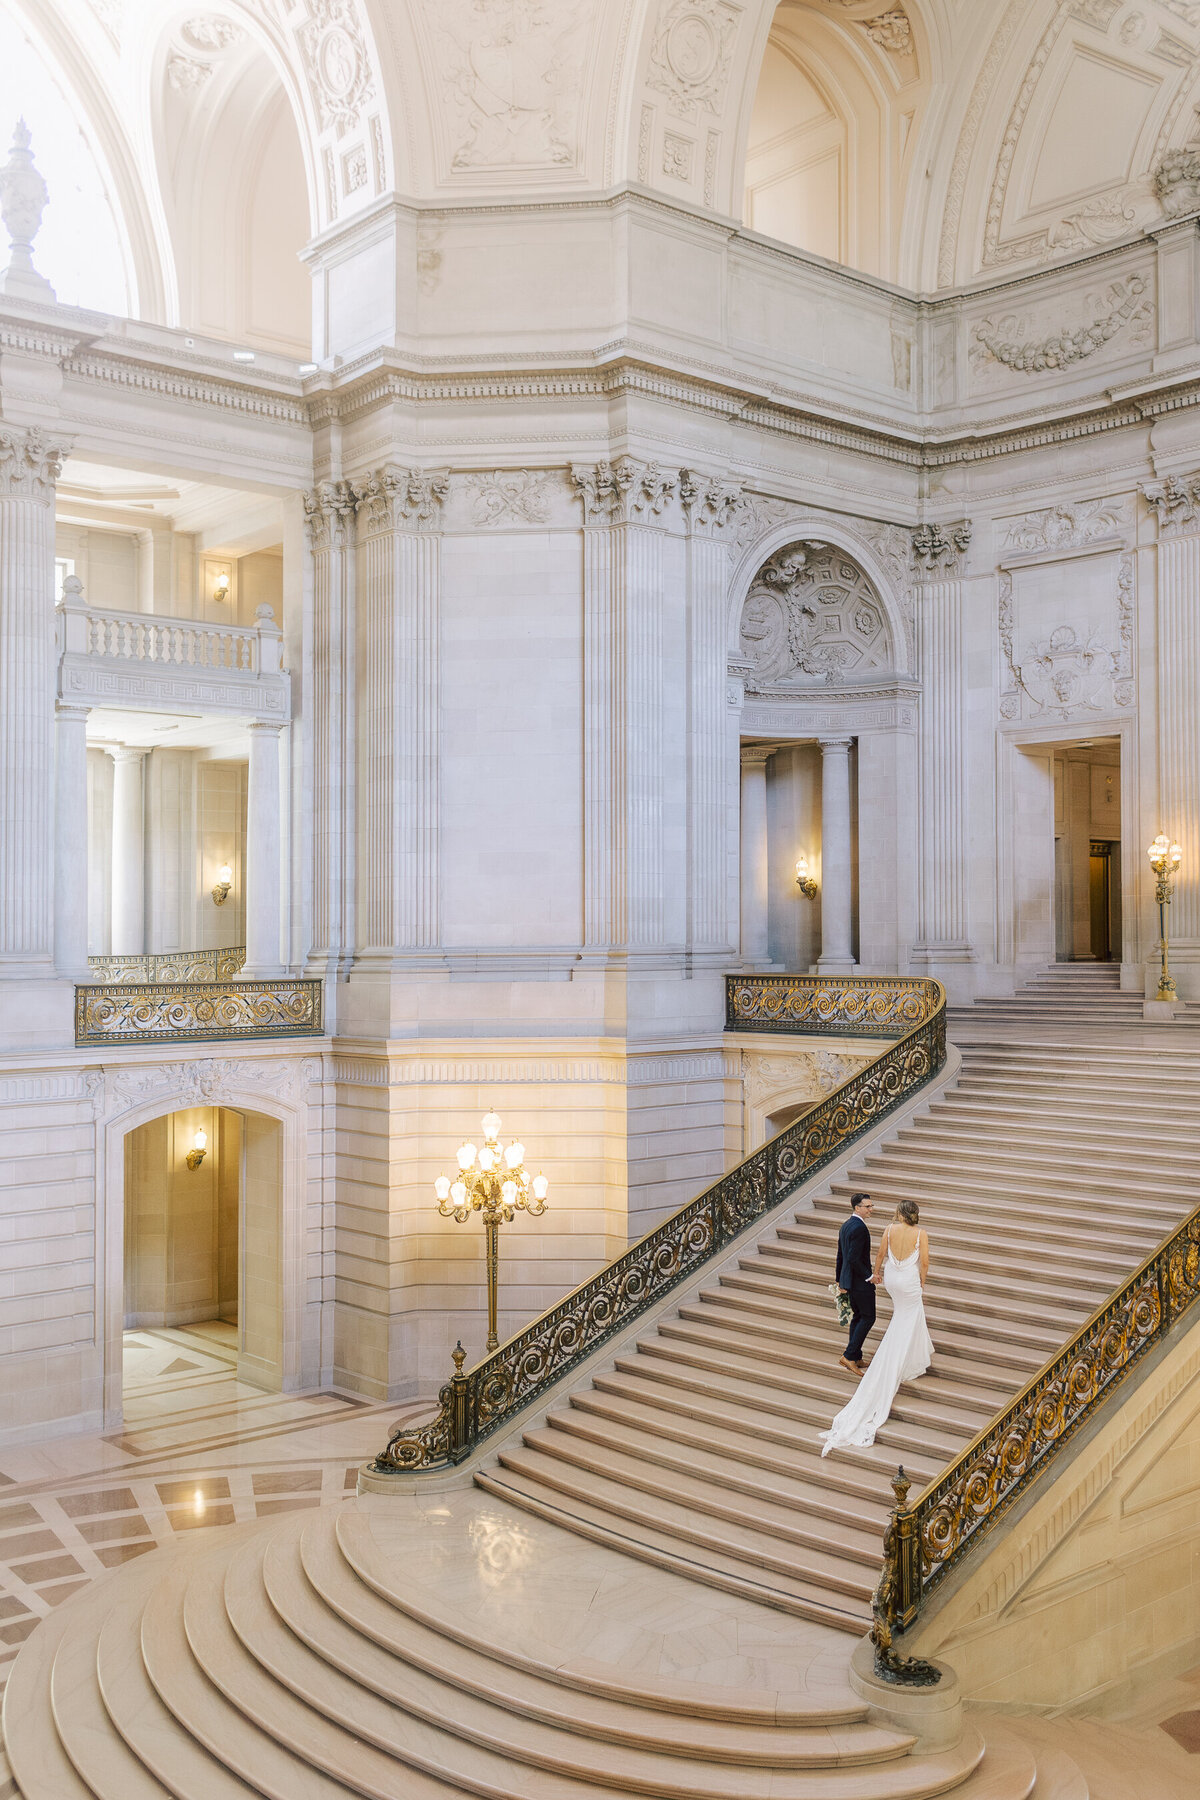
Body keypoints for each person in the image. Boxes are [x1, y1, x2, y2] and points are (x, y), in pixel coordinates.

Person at [821, 1197, 934, 1457]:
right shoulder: (921, 1233)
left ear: (899, 1213)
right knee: (908, 1317)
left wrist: (877, 1272)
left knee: (903, 1316)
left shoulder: (888, 1229)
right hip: (909, 1280)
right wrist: (922, 1282)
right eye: (868, 1206)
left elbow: (881, 1255)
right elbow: (925, 1262)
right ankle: (897, 1360)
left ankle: (862, 1354)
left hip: (893, 1279)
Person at [834, 1192, 876, 1376]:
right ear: (857, 1207)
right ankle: (849, 1355)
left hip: (849, 1280)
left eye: (871, 1206)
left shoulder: (846, 1225)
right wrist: (870, 1276)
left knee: (858, 1317)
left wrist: (839, 1279)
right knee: (868, 1317)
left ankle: (856, 1356)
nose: (871, 1209)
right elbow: (852, 1258)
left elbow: (840, 1255)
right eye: (867, 1206)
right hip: (859, 1282)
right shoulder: (859, 1228)